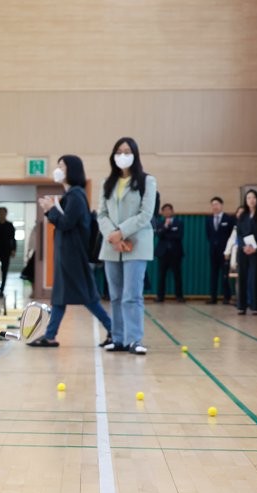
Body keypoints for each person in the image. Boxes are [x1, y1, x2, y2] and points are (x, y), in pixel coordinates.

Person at [29, 155, 113, 348]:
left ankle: (113, 330)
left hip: (73, 255)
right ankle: (50, 335)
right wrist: (53, 208)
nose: (58, 170)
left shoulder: (76, 195)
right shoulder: (72, 194)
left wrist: (51, 209)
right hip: (67, 253)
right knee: (59, 296)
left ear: (71, 170)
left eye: (61, 166)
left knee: (88, 297)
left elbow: (67, 223)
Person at [97, 137, 156, 355]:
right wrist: (112, 235)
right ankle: (119, 338)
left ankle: (134, 339)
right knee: (115, 295)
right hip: (112, 245)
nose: (123, 155)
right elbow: (101, 213)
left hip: (136, 243)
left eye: (127, 151)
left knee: (132, 294)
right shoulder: (107, 182)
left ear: (135, 154)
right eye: (119, 151)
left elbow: (146, 214)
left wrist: (121, 232)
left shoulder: (147, 181)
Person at [234, 189, 257, 315]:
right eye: (248, 198)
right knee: (242, 277)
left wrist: (255, 247)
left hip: (256, 251)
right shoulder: (243, 215)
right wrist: (243, 246)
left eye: (253, 197)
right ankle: (241, 306)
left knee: (254, 278)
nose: (251, 200)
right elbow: (239, 233)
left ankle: (255, 306)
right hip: (243, 251)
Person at [206, 197, 236, 304]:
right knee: (213, 274)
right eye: (213, 204)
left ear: (222, 205)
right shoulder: (209, 219)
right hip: (213, 251)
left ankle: (226, 297)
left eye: (217, 204)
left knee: (225, 275)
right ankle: (213, 297)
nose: (215, 206)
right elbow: (209, 235)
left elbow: (231, 235)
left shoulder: (229, 218)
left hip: (225, 252)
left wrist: (228, 250)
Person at [153, 202, 184, 303]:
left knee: (177, 275)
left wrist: (166, 234)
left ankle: (179, 296)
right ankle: (160, 296)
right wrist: (166, 227)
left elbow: (179, 236)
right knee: (161, 275)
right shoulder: (159, 223)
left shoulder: (179, 222)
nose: (166, 212)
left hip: (175, 252)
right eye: (164, 210)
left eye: (168, 210)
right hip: (163, 252)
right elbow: (159, 235)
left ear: (172, 211)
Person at [0, 206, 16, 296]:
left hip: (6, 250)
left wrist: (13, 249)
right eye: (0, 212)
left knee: (4, 270)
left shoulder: (9, 225)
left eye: (3, 212)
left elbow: (13, 238)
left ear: (6, 214)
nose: (2, 214)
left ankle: (2, 289)